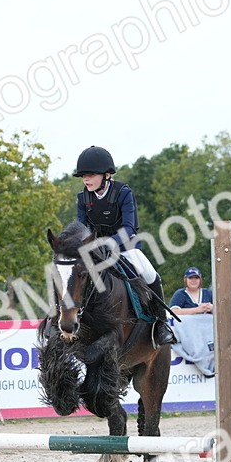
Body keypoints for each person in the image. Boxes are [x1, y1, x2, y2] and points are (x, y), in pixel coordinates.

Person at [72, 145, 176, 344]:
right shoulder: (82, 198)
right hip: (95, 251)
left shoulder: (123, 192)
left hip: (124, 247)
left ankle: (161, 325)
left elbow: (129, 227)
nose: (86, 179)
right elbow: (81, 227)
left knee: (150, 273)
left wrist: (109, 243)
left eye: (91, 174)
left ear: (107, 174)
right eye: (84, 175)